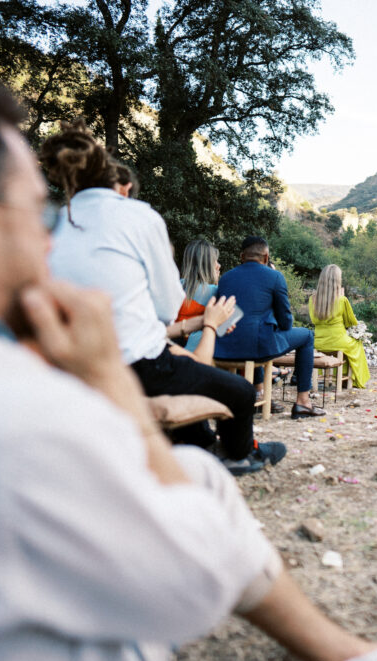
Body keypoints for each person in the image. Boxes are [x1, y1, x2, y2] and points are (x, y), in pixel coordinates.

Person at [0, 66, 376, 661]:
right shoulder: (20, 413)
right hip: (149, 370)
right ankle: (246, 451)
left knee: (196, 469)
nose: (50, 243)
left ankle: (338, 650)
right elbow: (196, 581)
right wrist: (120, 374)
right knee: (231, 403)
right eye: (36, 213)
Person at [43, 121, 284, 475]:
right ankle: (238, 454)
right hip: (134, 364)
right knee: (240, 392)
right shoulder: (136, 216)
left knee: (179, 370)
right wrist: (207, 323)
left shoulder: (55, 222)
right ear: (124, 189)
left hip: (68, 360)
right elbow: (167, 307)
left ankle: (201, 447)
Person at [214, 236, 326, 419]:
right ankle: (303, 402)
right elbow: (286, 322)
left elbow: (226, 318)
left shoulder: (226, 278)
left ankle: (259, 392)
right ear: (266, 257)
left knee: (253, 331)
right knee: (307, 336)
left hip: (224, 349)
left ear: (241, 256)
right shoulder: (274, 277)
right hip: (257, 348)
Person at [309, 264, 371, 388]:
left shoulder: (312, 299)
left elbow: (313, 320)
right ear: (337, 281)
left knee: (346, 346)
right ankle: (350, 379)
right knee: (356, 344)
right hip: (338, 341)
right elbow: (351, 322)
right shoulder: (342, 300)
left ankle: (339, 378)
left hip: (319, 342)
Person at [176, 238, 221, 353]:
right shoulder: (214, 292)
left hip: (172, 350)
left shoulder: (174, 287)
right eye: (216, 261)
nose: (219, 265)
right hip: (199, 355)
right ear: (209, 264)